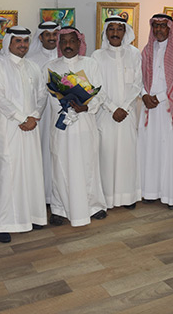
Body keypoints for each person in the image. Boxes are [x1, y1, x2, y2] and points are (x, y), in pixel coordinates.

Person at [0, 27, 47, 243]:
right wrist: (22, 118)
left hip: (31, 127)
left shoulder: (33, 67)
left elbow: (42, 94)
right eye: (18, 41)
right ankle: (2, 224)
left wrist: (35, 115)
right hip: (8, 128)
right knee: (7, 175)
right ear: (8, 42)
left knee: (31, 171)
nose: (22, 45)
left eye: (25, 41)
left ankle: (32, 217)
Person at [44, 26, 108, 226]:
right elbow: (47, 96)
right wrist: (67, 108)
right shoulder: (50, 66)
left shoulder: (90, 64)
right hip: (61, 127)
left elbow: (100, 94)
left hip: (85, 124)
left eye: (72, 41)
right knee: (61, 167)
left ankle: (94, 206)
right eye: (64, 41)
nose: (68, 45)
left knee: (88, 165)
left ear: (79, 43)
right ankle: (60, 208)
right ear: (59, 44)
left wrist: (86, 107)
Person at [138, 14, 173, 209]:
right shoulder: (147, 51)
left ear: (170, 28)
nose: (159, 30)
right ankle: (150, 191)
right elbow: (139, 77)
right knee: (150, 148)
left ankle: (171, 196)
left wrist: (160, 97)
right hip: (150, 107)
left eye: (163, 26)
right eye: (156, 26)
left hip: (170, 108)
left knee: (171, 150)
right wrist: (144, 95)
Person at [92, 16, 142, 209]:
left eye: (119, 29)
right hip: (106, 115)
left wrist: (125, 107)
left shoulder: (134, 54)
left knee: (127, 156)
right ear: (105, 32)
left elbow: (138, 83)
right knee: (106, 156)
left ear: (125, 32)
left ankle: (128, 197)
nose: (115, 33)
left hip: (128, 114)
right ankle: (107, 197)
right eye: (111, 29)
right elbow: (96, 86)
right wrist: (113, 108)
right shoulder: (97, 56)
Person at [27, 21, 60, 204]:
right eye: (47, 34)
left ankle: (57, 196)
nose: (52, 38)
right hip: (41, 114)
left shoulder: (64, 55)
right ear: (40, 37)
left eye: (55, 34)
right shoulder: (32, 60)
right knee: (42, 151)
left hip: (61, 112)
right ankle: (43, 197)